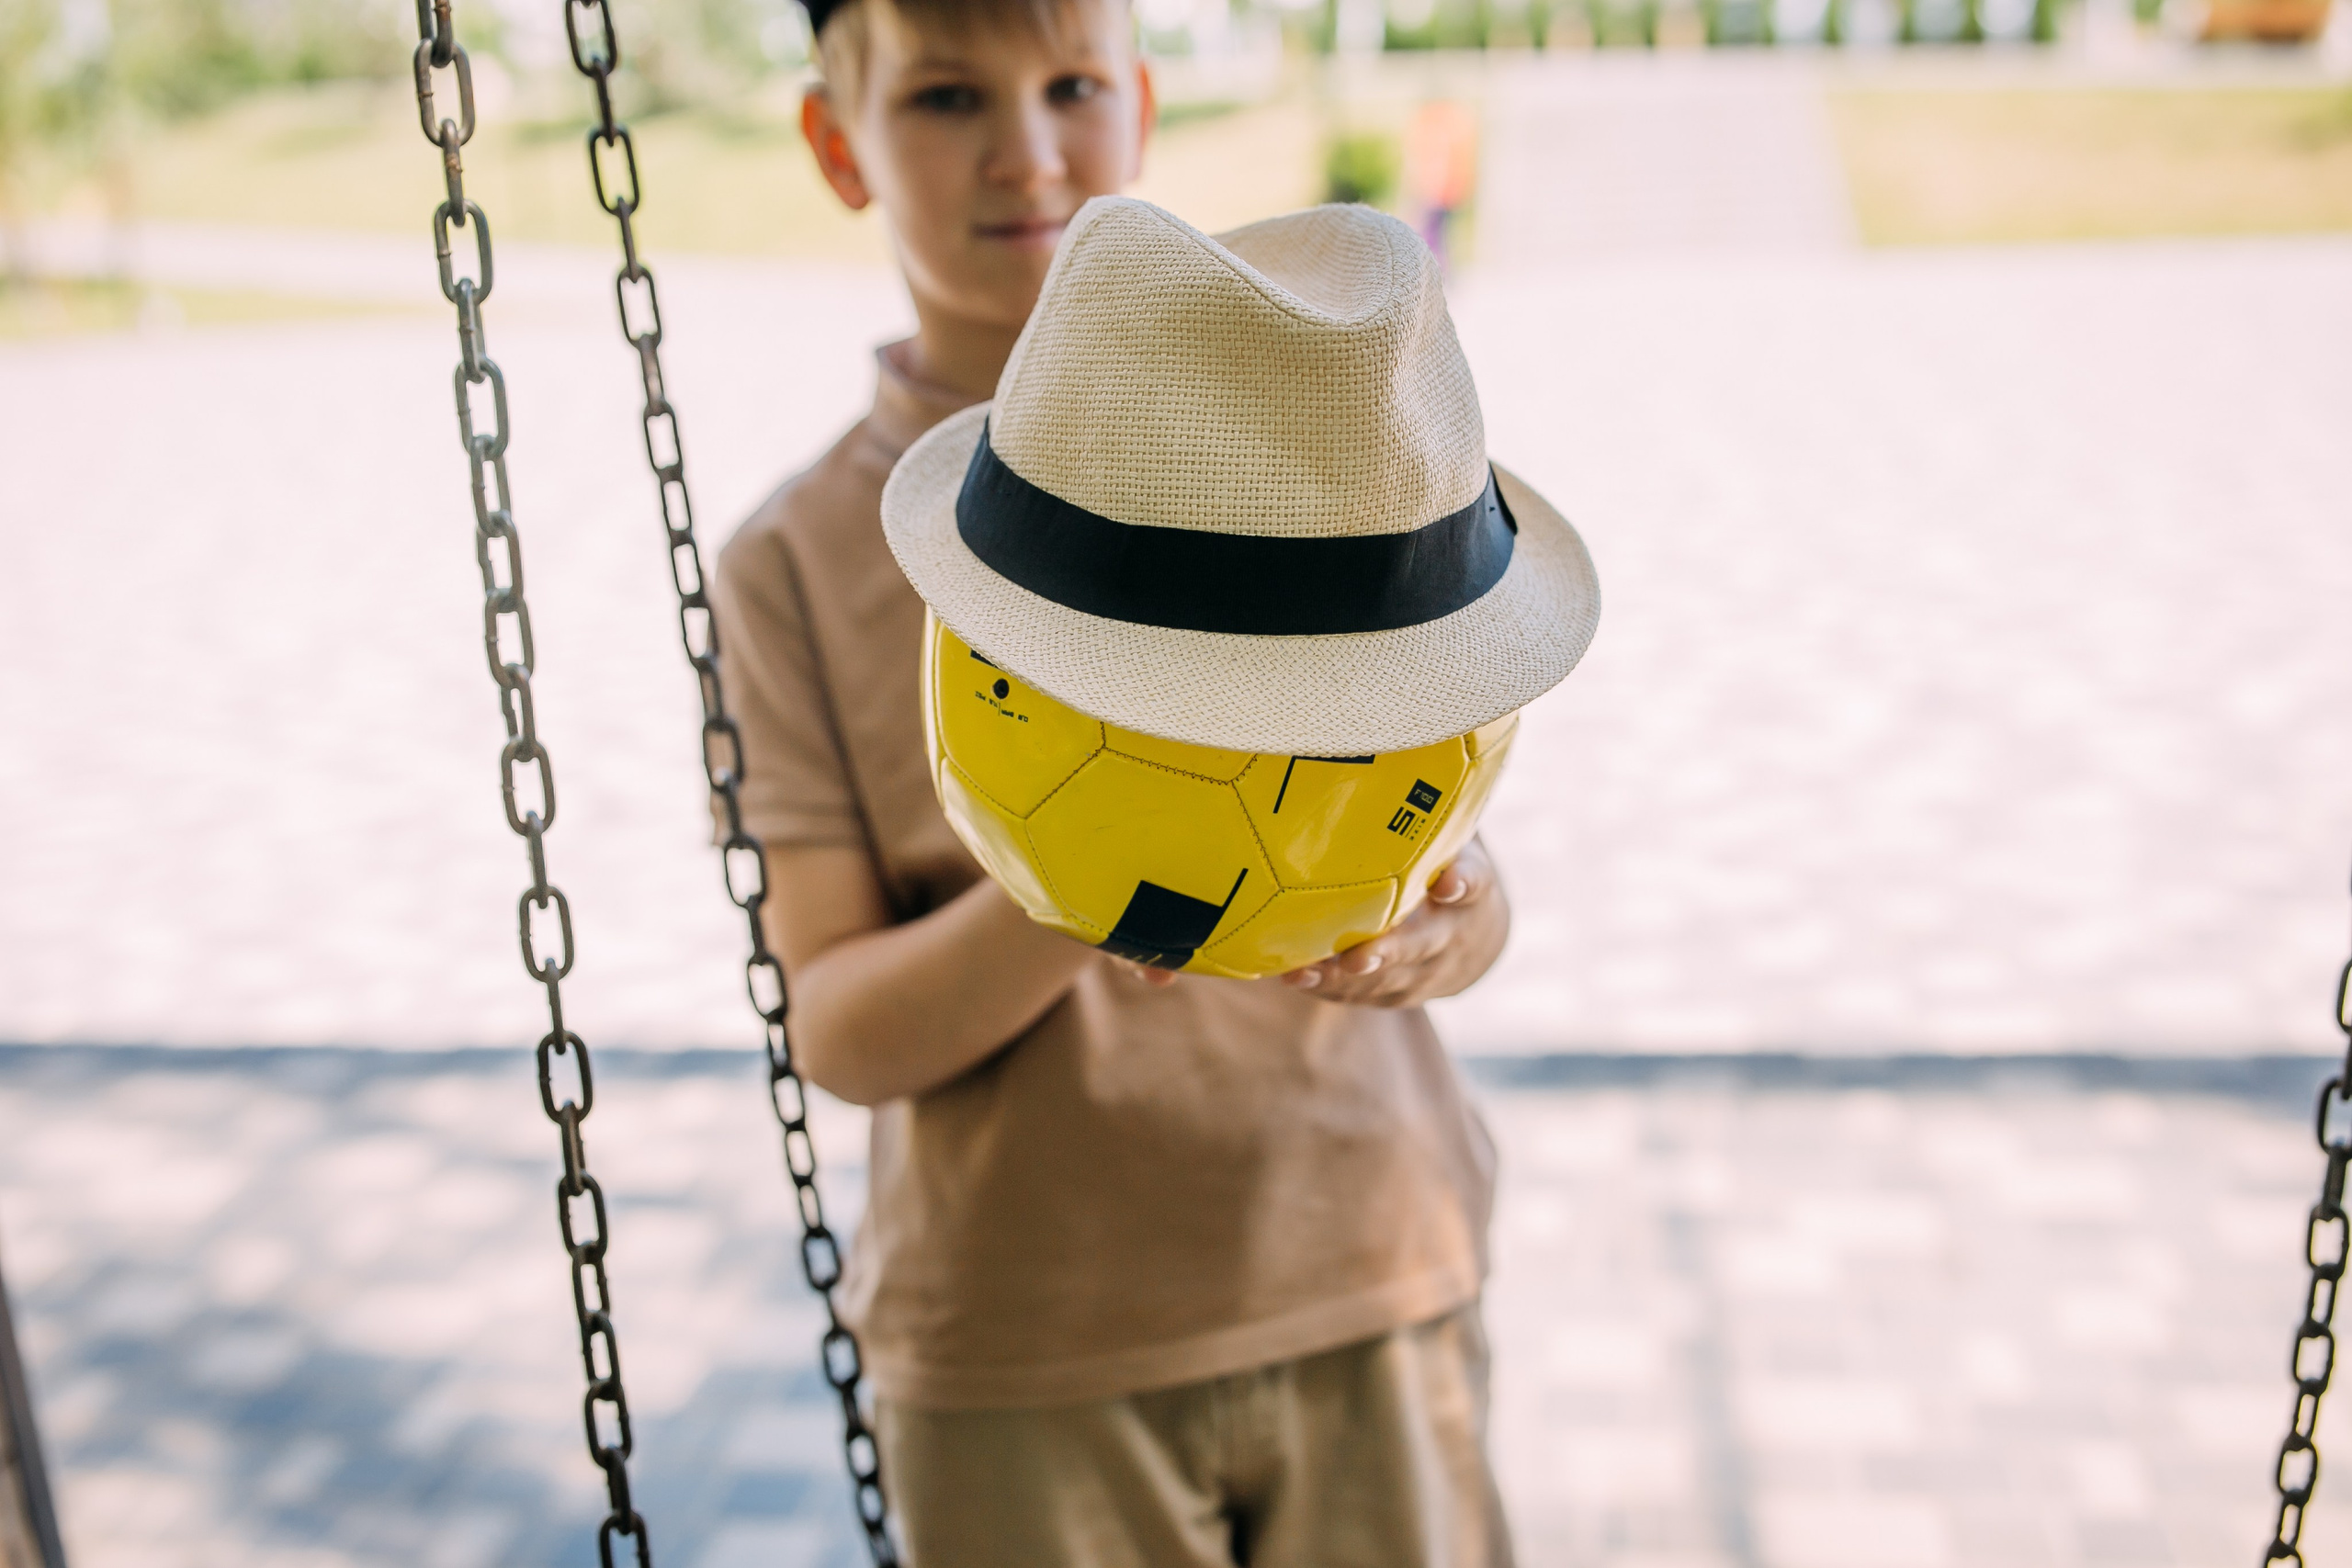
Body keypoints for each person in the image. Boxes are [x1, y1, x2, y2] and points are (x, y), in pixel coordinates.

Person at [709, 0, 1594, 1560]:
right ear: (837, 141)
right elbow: (835, 1025)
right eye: (942, 95)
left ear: (1143, 103)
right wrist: (1109, 875)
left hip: (1366, 1269)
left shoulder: (1316, 464)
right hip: (1024, 1352)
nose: (1027, 151)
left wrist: (1457, 923)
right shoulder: (792, 563)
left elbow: (1451, 869)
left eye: (1071, 85)